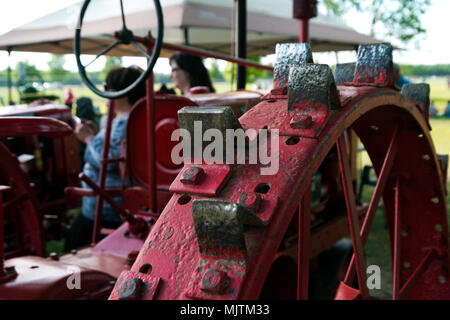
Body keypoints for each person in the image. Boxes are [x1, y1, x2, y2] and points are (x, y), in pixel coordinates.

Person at [64, 66, 146, 251]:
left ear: (122, 93)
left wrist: (87, 137)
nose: (106, 93)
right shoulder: (132, 119)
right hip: (110, 203)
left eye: (108, 87)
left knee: (74, 247)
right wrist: (95, 135)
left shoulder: (125, 121)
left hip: (105, 208)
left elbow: (108, 158)